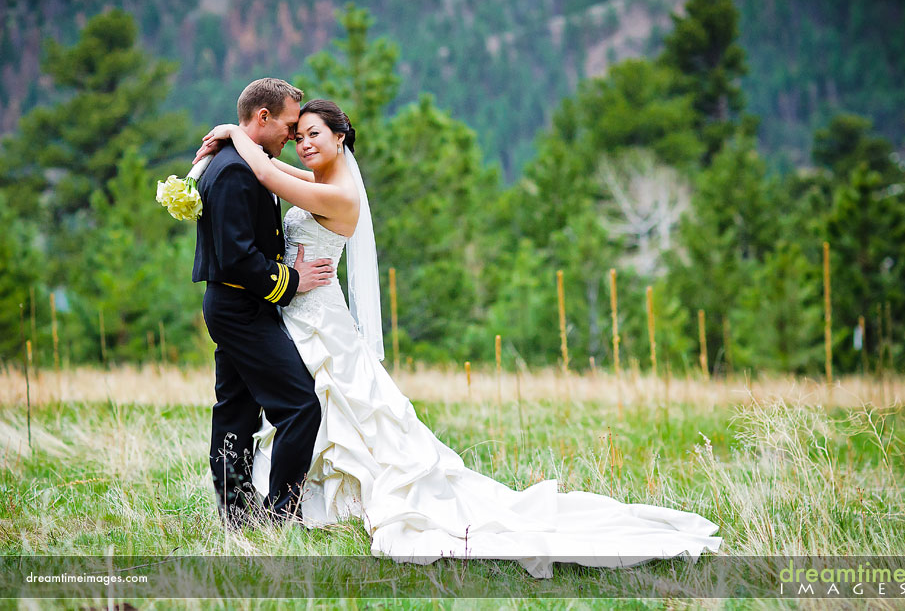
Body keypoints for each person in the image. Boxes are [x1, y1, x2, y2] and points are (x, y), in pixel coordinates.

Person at [193, 99, 723, 578]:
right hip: (298, 311)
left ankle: (285, 512)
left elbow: (266, 170)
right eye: (299, 133)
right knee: (306, 408)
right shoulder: (319, 182)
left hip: (318, 314)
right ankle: (286, 508)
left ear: (341, 139)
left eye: (313, 134)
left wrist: (230, 131)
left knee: (328, 408)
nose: (303, 143)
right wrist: (242, 140)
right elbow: (278, 172)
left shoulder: (340, 194)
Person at [192, 78, 336, 526]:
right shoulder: (234, 169)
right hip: (241, 307)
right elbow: (237, 258)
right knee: (299, 407)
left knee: (235, 410)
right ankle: (280, 514)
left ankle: (235, 513)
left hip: (233, 304)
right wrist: (291, 282)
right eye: (291, 126)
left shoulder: (239, 160)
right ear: (263, 117)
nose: (294, 136)